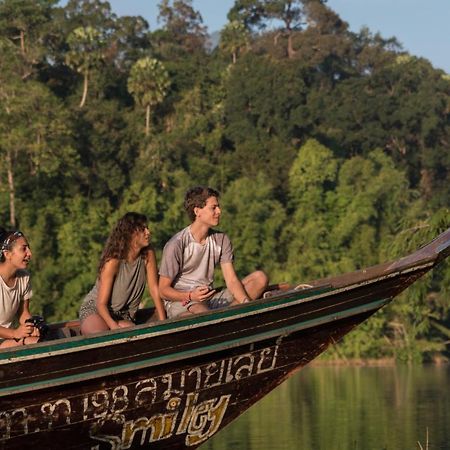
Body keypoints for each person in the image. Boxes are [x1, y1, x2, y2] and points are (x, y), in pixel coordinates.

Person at [159, 186, 269, 319]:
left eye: (218, 207)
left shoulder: (221, 239)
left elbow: (232, 280)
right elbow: (163, 290)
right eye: (213, 207)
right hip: (183, 302)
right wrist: (191, 296)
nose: (219, 211)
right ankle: (223, 318)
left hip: (210, 298)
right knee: (200, 310)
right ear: (197, 211)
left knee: (260, 278)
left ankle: (229, 317)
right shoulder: (176, 244)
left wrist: (246, 303)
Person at [79, 212, 165, 335]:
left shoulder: (148, 253)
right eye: (143, 229)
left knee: (131, 334)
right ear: (131, 234)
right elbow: (101, 304)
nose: (148, 232)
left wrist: (163, 321)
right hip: (97, 309)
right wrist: (113, 326)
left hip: (124, 314)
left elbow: (154, 289)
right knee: (99, 334)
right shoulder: (113, 262)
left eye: (147, 228)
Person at [0, 228, 40, 348]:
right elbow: (15, 334)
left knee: (41, 338)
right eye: (24, 249)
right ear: (7, 254)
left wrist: (30, 328)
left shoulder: (24, 278)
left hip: (8, 339)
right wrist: (15, 333)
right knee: (37, 344)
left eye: (28, 248)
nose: (30, 253)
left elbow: (23, 313)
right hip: (8, 337)